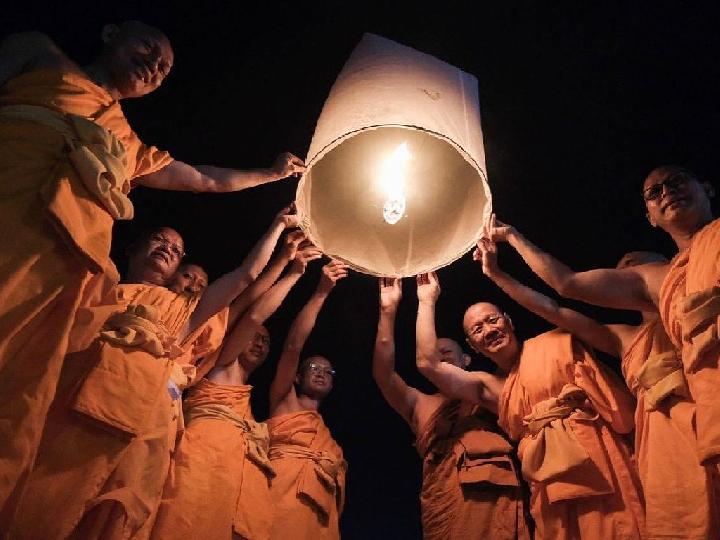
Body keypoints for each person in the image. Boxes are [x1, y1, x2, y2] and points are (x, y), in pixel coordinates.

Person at [0, 20, 305, 515]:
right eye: (149, 48)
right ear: (111, 32)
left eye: (165, 69)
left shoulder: (129, 145)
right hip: (10, 209)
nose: (155, 66)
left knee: (19, 392)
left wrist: (272, 174)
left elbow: (206, 180)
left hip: (60, 265)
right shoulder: (39, 54)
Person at [10, 209, 301, 539]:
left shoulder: (185, 314)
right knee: (42, 498)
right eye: (160, 241)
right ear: (134, 249)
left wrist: (280, 237)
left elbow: (247, 284)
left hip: (148, 414)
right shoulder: (100, 286)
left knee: (118, 510)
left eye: (177, 250)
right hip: (74, 401)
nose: (168, 250)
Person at [482, 215, 720, 537]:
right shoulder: (622, 338)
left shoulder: (695, 312)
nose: (627, 271)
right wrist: (498, 273)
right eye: (622, 269)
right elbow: (554, 307)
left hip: (707, 407)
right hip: (662, 437)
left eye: (637, 264)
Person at [477, 167, 717, 467]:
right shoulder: (632, 321)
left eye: (677, 181)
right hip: (672, 437)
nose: (667, 192)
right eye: (654, 192)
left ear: (706, 188)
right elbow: (561, 296)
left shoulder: (689, 268)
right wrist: (504, 256)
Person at [415, 271, 644, 539]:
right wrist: (427, 300)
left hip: (604, 467)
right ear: (472, 347)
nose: (489, 330)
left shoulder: (557, 343)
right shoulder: (494, 388)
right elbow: (427, 363)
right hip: (549, 487)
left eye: (492, 320)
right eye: (478, 329)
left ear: (508, 321)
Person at [152, 244, 322, 540]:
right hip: (199, 471)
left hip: (233, 491)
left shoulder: (249, 410)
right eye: (254, 338)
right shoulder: (217, 364)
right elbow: (255, 314)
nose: (259, 344)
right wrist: (293, 272)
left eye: (266, 342)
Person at [372, 277, 529, 540]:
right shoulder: (419, 403)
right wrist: (388, 310)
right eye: (435, 350)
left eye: (447, 351)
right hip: (446, 500)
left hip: (496, 494)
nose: (439, 354)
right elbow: (383, 373)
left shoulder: (492, 389)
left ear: (466, 358)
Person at [266, 261, 349, 540]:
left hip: (318, 523)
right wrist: (321, 293)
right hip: (276, 508)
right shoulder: (283, 402)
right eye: (314, 368)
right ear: (298, 378)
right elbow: (293, 346)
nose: (322, 374)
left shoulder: (329, 441)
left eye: (328, 371)